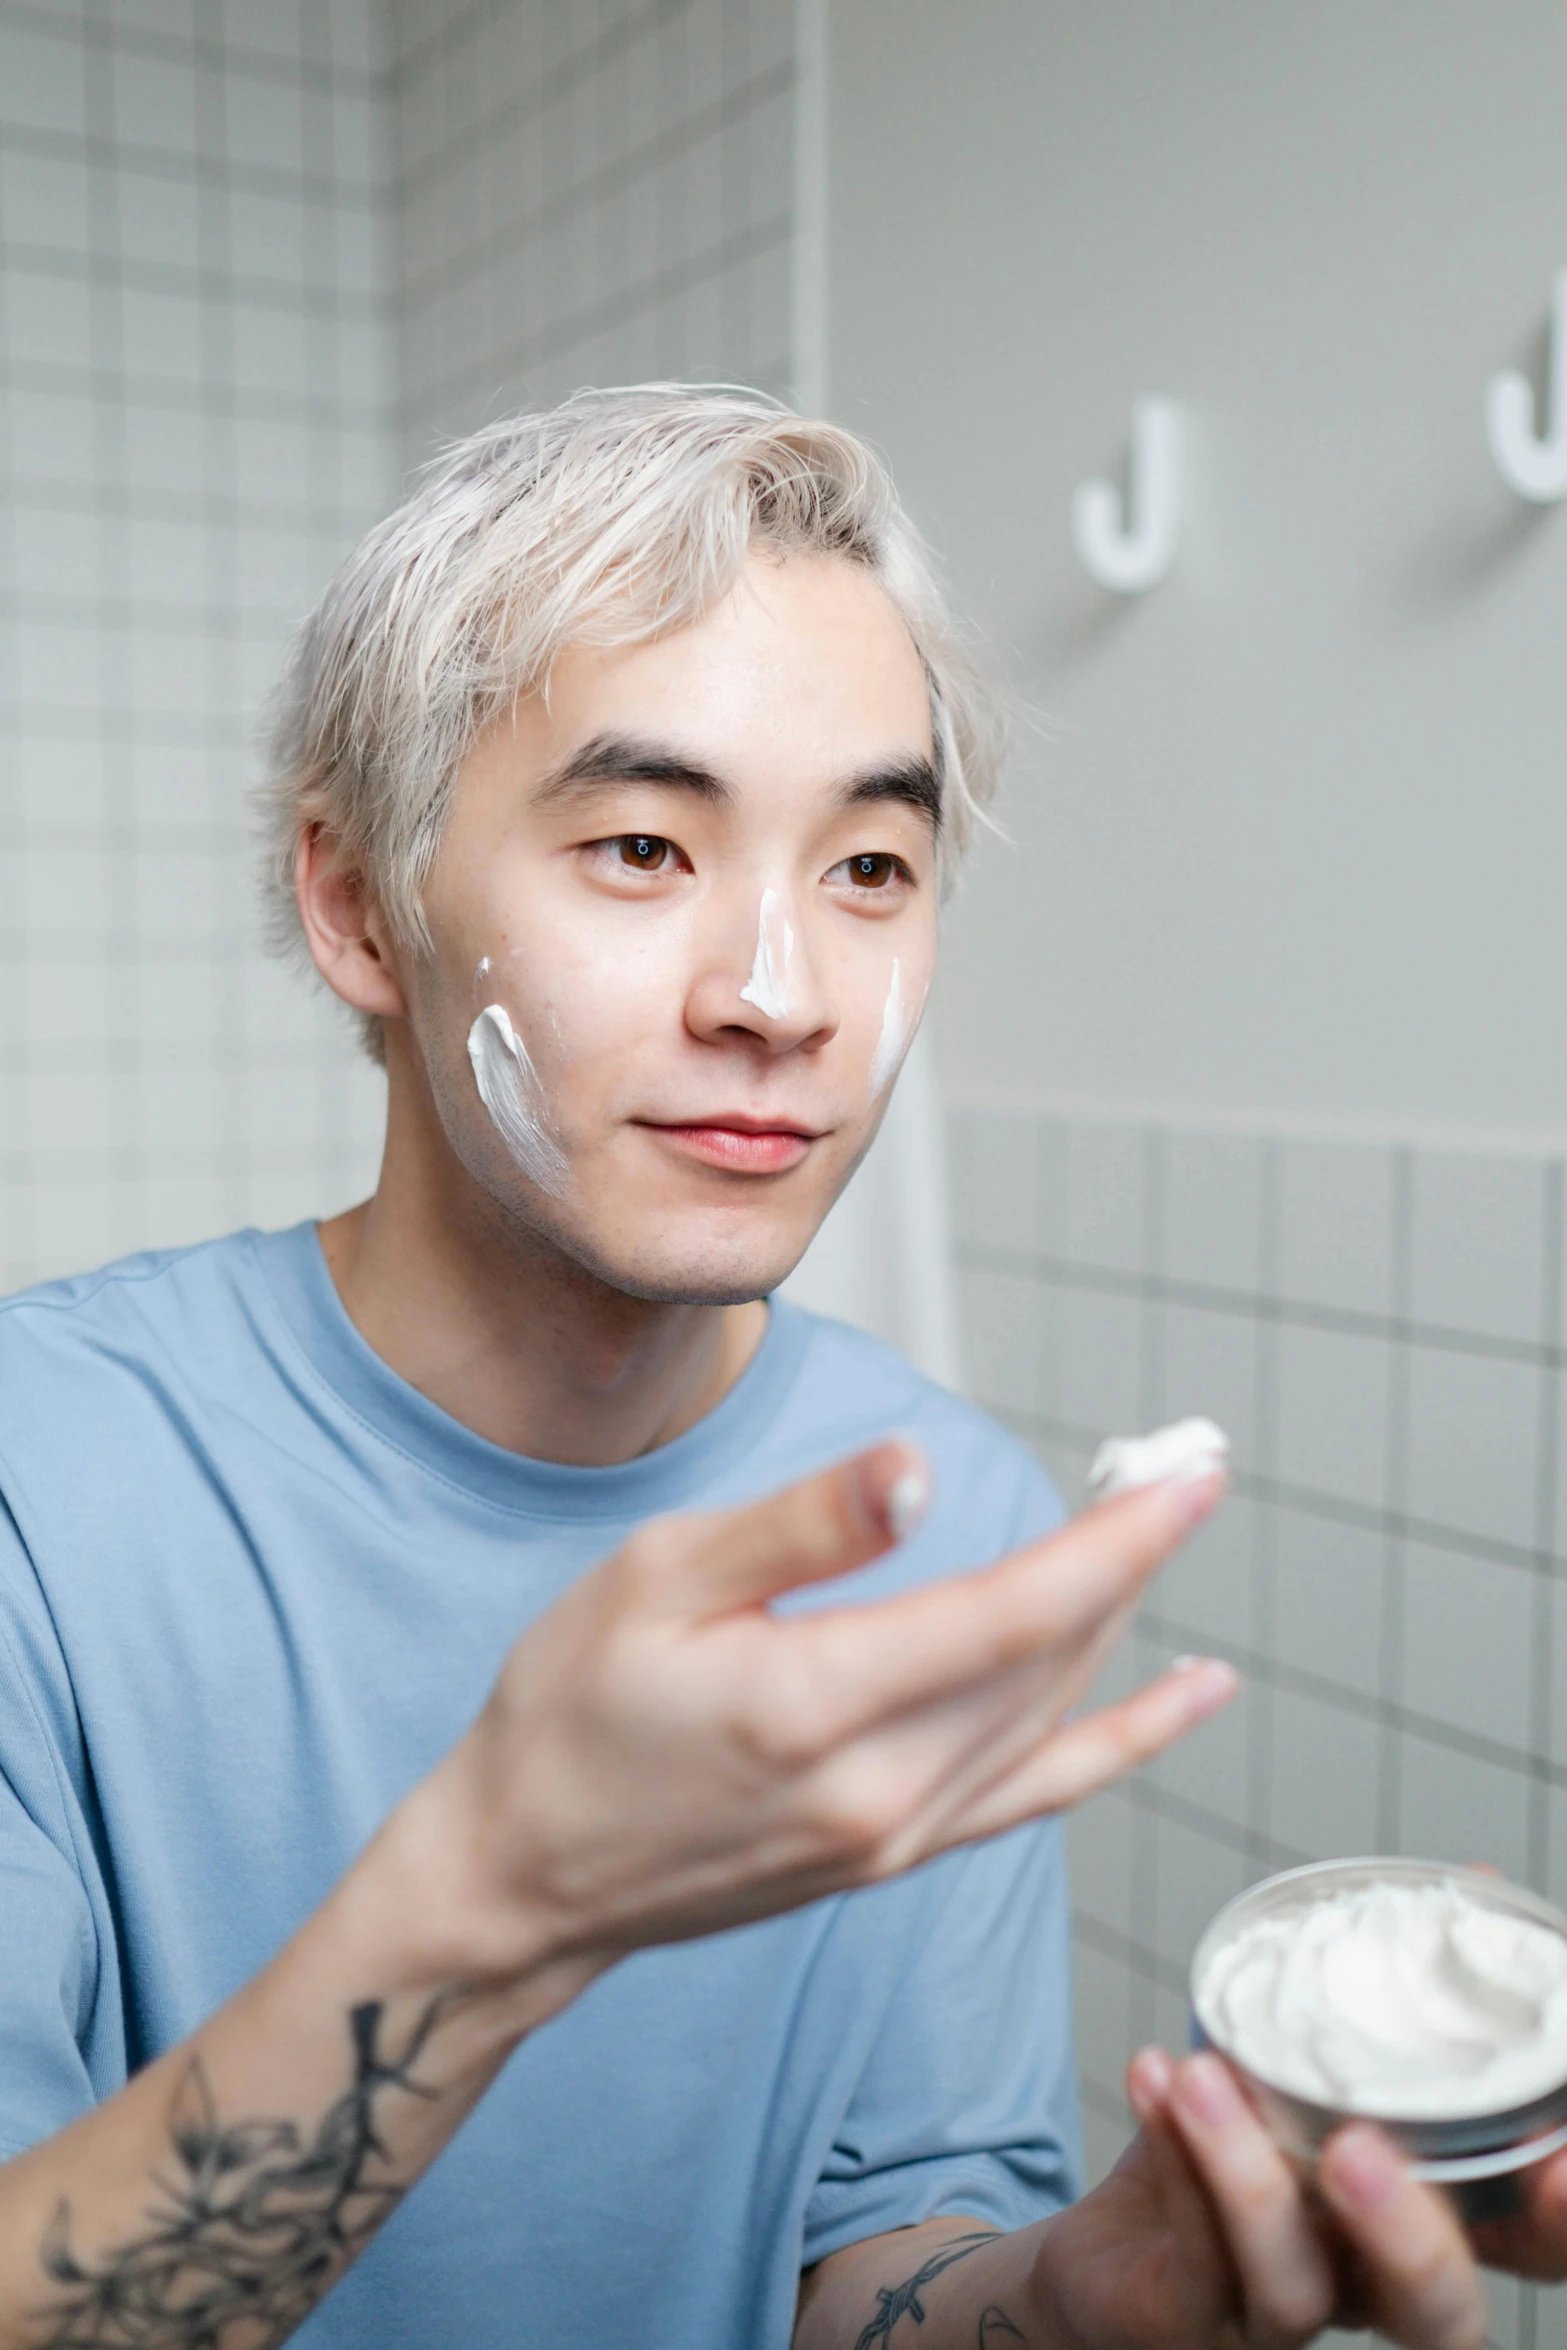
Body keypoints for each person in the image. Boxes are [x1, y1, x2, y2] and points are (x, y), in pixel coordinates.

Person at [0, 388, 1551, 2350]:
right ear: (352, 903)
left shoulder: (947, 1518)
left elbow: (882, 2255)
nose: (783, 994)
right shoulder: (42, 1484)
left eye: (873, 870)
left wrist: (1093, 2288)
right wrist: (496, 1894)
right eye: (644, 845)